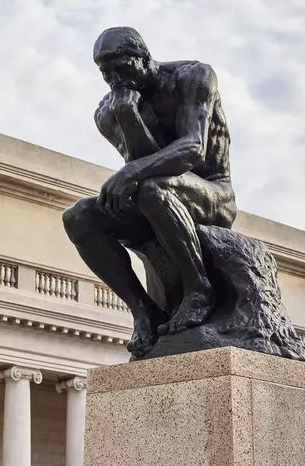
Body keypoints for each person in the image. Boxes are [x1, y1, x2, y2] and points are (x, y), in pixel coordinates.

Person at [62, 26, 237, 356]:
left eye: (122, 66)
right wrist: (128, 115)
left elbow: (192, 149)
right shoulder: (108, 111)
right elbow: (142, 164)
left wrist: (131, 171)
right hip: (156, 195)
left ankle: (199, 289)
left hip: (213, 193)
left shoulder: (193, 76)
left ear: (144, 58)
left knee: (151, 187)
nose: (115, 77)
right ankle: (144, 311)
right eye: (105, 71)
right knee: (79, 216)